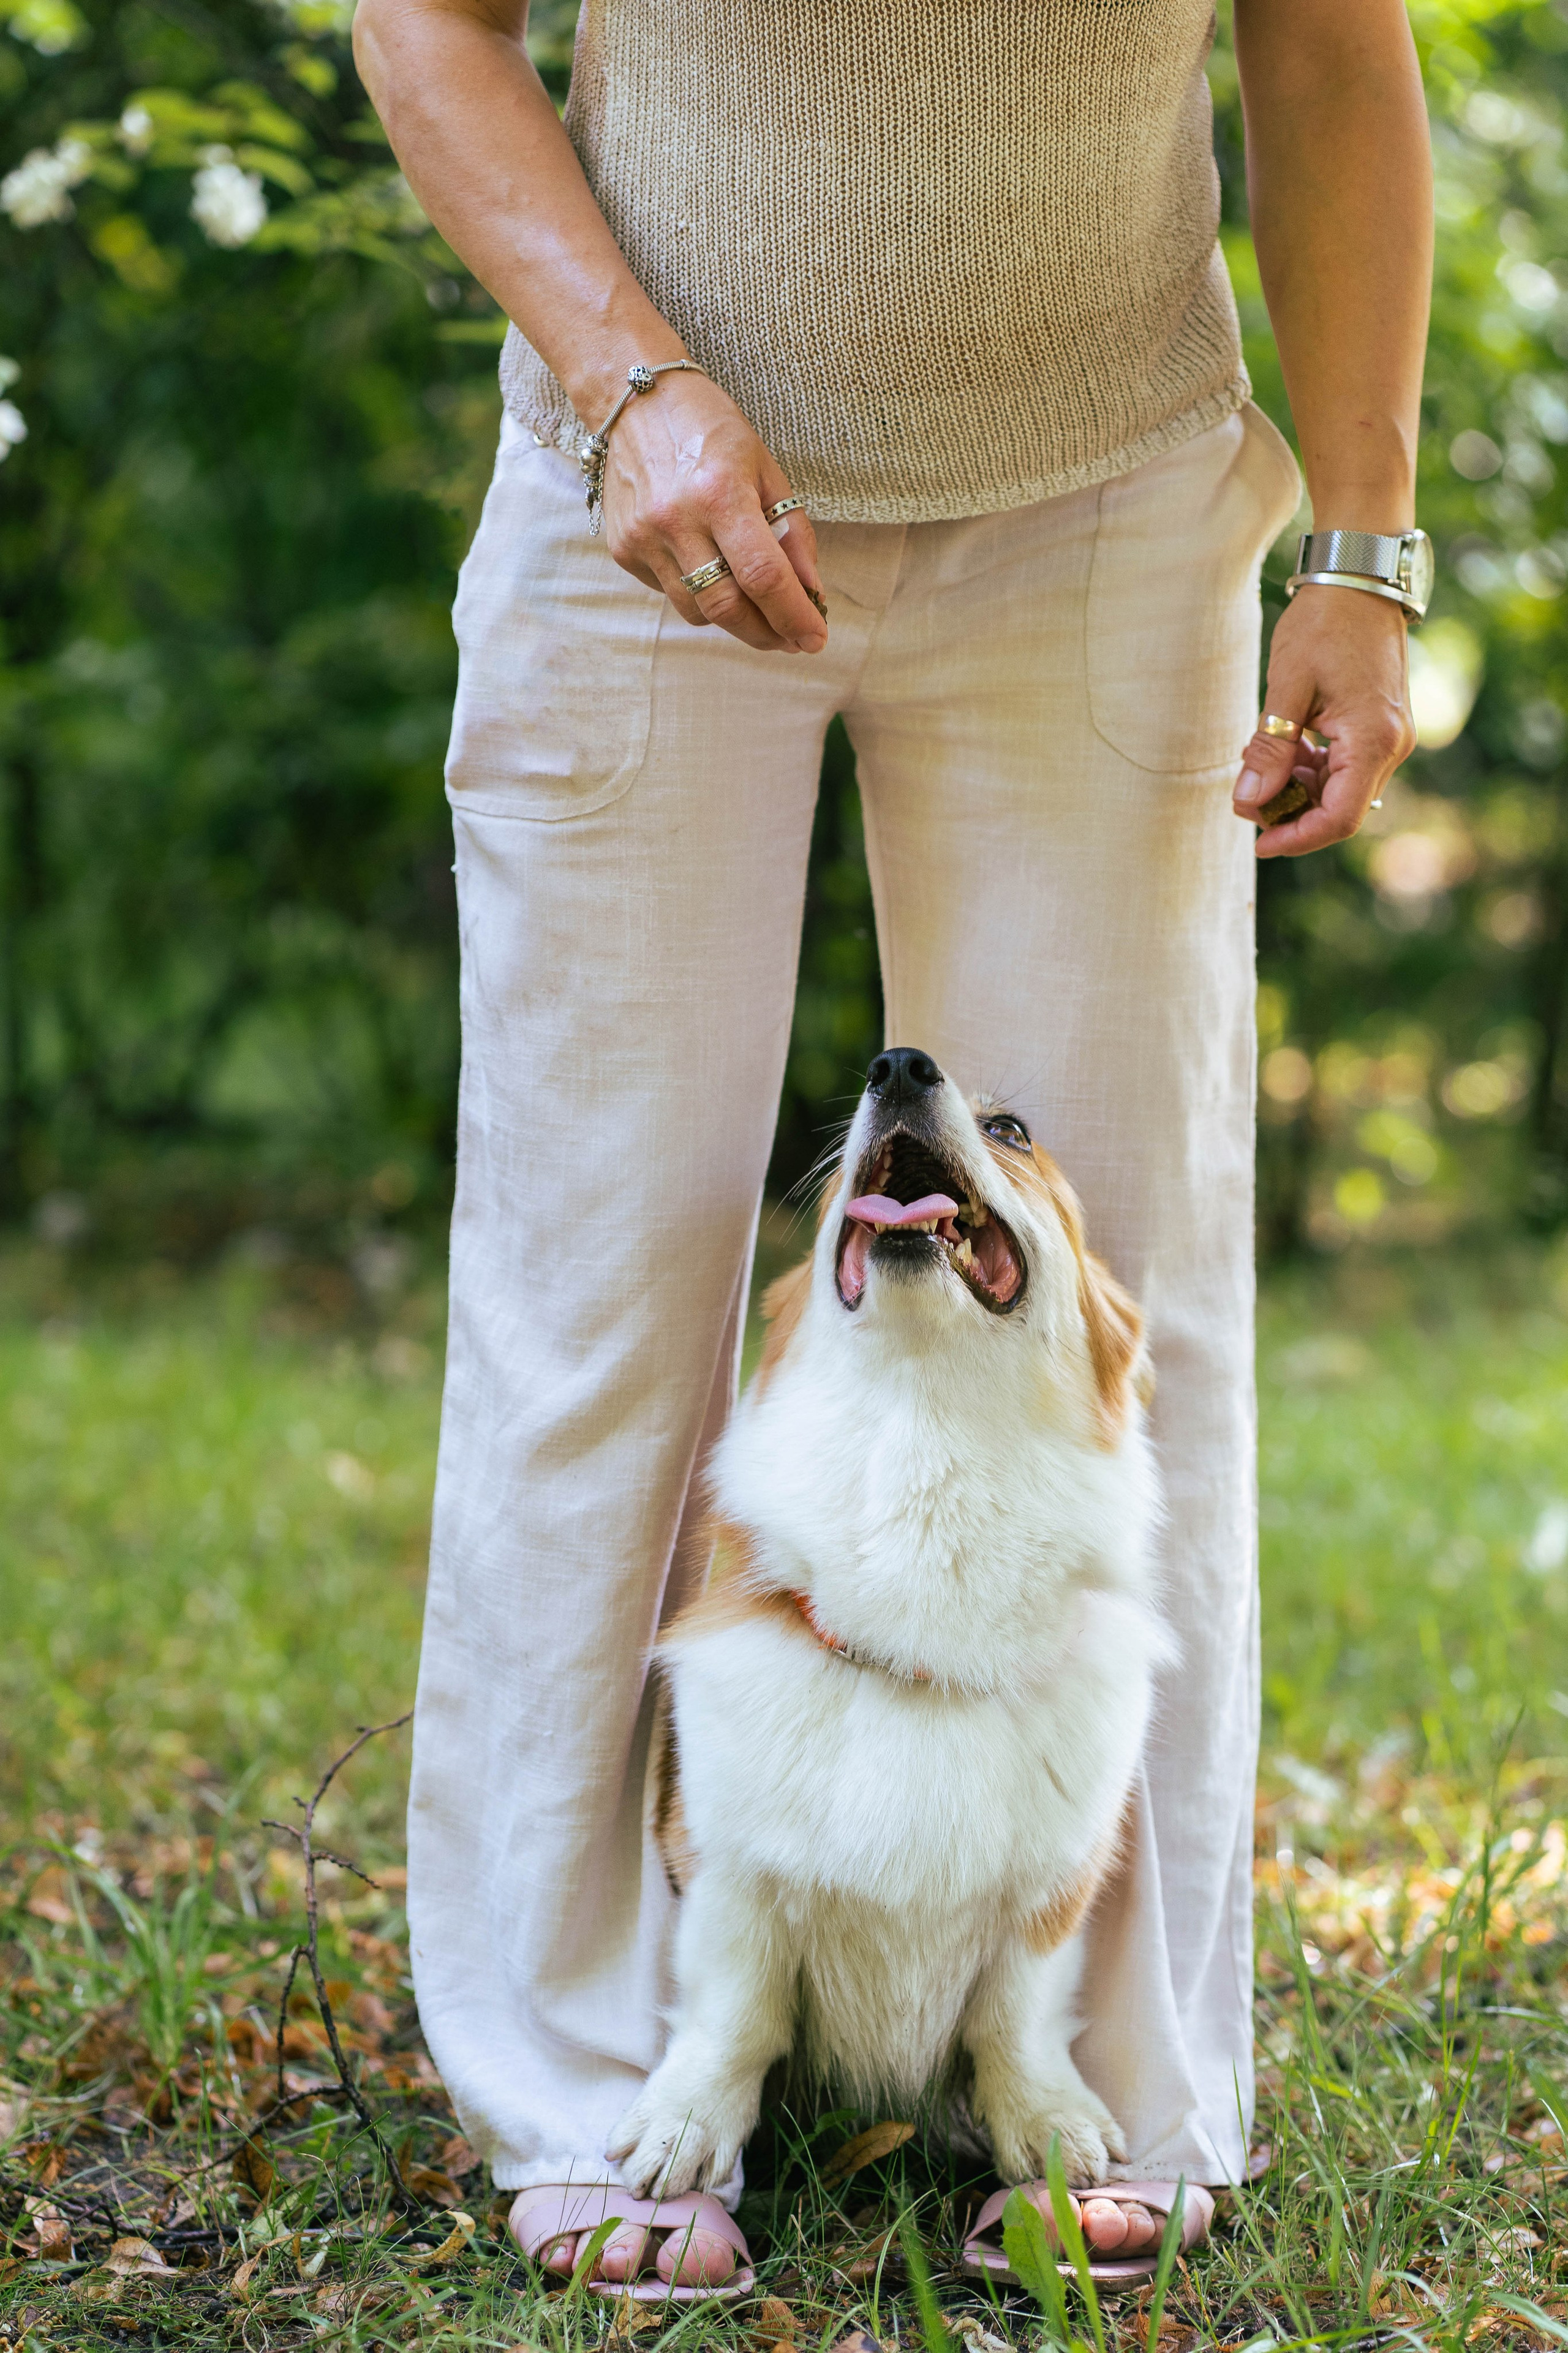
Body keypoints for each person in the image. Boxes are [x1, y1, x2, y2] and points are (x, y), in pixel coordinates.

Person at [352, 0, 1431, 2295]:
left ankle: (1099, 2064)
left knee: (1126, 1306)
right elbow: (416, 16)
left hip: (1111, 502)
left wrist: (1362, 542)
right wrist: (629, 381)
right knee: (601, 1312)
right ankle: (581, 2076)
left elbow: (1333, 44)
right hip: (637, 493)